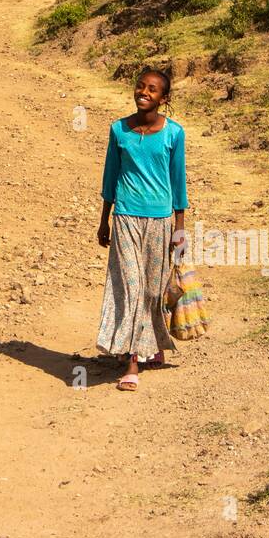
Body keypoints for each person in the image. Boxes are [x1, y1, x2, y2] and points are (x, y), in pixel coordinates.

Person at [96, 67, 188, 391]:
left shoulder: (174, 134)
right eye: (140, 86)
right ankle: (132, 361)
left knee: (153, 290)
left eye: (152, 89)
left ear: (164, 98)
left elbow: (179, 183)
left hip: (161, 221)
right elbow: (110, 176)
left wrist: (179, 228)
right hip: (125, 218)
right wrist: (104, 218)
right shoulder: (118, 130)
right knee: (132, 288)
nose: (143, 92)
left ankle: (156, 345)